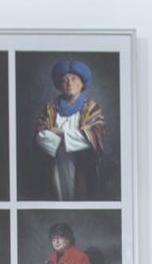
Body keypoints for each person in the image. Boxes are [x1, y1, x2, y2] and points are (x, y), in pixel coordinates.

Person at [34, 59, 105, 200]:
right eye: (65, 80)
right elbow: (40, 135)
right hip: (56, 163)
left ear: (81, 84)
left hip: (81, 165)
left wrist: (61, 134)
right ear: (60, 85)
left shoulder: (91, 108)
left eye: (74, 79)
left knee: (79, 196)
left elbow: (95, 136)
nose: (69, 83)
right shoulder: (51, 108)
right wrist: (78, 133)